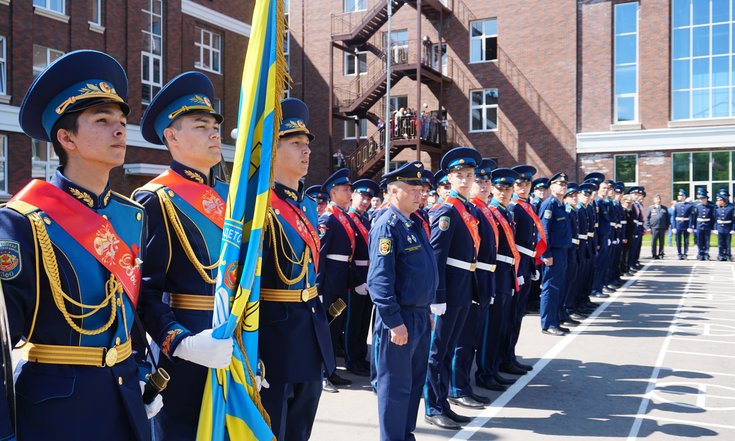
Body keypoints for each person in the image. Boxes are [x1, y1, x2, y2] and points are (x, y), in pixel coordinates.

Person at [0, 50, 160, 440]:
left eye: (121, 121)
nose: (120, 130)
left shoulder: (130, 215)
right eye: (103, 121)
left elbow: (127, 312)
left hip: (126, 403)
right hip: (58, 413)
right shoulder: (21, 222)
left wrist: (140, 372)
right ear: (66, 137)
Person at [134, 71, 234, 440]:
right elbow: (143, 292)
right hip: (188, 351)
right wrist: (181, 341)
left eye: (215, 125)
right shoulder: (155, 198)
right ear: (172, 137)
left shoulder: (230, 197)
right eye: (201, 125)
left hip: (235, 345)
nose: (214, 133)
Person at [259, 98, 335, 440]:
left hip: (309, 327)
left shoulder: (305, 203)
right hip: (275, 333)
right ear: (273, 151)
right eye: (295, 144)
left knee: (302, 424)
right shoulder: (258, 205)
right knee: (275, 423)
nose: (306, 152)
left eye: (306, 145)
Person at [424, 147, 482, 430]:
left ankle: (443, 401)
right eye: (459, 175)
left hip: (463, 287)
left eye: (469, 175)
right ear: (449, 178)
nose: (465, 179)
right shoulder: (446, 210)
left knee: (448, 350)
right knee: (437, 352)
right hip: (449, 291)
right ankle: (433, 406)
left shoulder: (467, 208)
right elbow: (436, 255)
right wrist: (438, 295)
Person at [448, 158, 497, 410]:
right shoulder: (462, 210)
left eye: (481, 179)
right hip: (463, 282)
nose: (482, 184)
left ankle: (463, 385)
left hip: (477, 279)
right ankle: (457, 388)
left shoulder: (473, 210)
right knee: (460, 341)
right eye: (480, 180)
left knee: (470, 339)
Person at [475, 168, 521, 392]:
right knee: (490, 327)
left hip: (504, 272)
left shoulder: (506, 212)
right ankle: (485, 372)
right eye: (500, 188)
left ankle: (493, 368)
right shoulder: (491, 211)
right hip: (494, 272)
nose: (503, 192)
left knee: (500, 324)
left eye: (508, 189)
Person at [317, 168, 356, 391]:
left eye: (350, 189)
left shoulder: (343, 217)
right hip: (330, 282)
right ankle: (323, 373)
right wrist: (319, 286)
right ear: (333, 192)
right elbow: (321, 255)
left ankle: (331, 370)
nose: (349, 193)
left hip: (341, 280)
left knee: (336, 326)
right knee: (327, 326)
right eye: (344, 189)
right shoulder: (328, 219)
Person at [504, 165, 542, 374]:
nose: (524, 187)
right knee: (510, 317)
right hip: (517, 267)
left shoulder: (528, 207)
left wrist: (532, 264)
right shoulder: (513, 208)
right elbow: (512, 244)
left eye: (527, 184)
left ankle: (511, 354)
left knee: (518, 315)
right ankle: (505, 357)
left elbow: (531, 239)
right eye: (519, 184)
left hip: (526, 265)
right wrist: (518, 271)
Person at [344, 179, 379, 376]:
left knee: (364, 319)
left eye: (368, 198)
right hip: (355, 276)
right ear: (353, 195)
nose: (365, 201)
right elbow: (349, 256)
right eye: (362, 196)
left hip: (369, 274)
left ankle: (361, 356)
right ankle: (352, 359)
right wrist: (357, 281)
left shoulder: (365, 219)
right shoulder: (348, 219)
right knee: (353, 320)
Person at [538, 172, 573, 336]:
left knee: (558, 287)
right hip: (553, 253)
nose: (563, 186)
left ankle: (555, 320)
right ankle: (548, 324)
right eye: (560, 184)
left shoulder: (560, 204)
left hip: (562, 252)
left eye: (565, 184)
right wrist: (546, 253)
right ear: (552, 186)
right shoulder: (549, 204)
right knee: (550, 288)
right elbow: (543, 231)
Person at [692, 188, 715, 261]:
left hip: (707, 225)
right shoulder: (697, 206)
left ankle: (706, 253)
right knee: (700, 240)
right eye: (701, 199)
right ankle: (700, 253)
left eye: (703, 198)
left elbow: (712, 218)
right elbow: (694, 217)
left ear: (706, 199)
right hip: (699, 225)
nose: (702, 200)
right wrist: (694, 227)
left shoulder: (711, 207)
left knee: (707, 240)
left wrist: (713, 227)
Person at [645, 194, 670, 259]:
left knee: (662, 241)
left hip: (662, 227)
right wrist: (648, 227)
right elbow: (647, 218)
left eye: (659, 199)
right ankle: (654, 254)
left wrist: (667, 227)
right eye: (657, 199)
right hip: (654, 227)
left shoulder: (664, 208)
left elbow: (667, 218)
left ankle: (661, 254)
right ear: (654, 200)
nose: (658, 200)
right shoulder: (651, 208)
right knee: (654, 242)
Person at [673, 189, 694, 259]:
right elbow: (674, 216)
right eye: (679, 195)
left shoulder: (689, 206)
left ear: (684, 196)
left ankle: (685, 253)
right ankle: (679, 253)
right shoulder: (676, 205)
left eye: (680, 195)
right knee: (678, 240)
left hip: (686, 224)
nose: (679, 196)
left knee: (686, 240)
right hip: (678, 224)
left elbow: (691, 216)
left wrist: (690, 226)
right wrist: (674, 227)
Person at [714, 189, 734, 261]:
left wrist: (733, 228)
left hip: (727, 227)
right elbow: (715, 219)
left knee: (727, 243)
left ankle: (728, 255)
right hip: (720, 227)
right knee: (720, 243)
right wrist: (715, 228)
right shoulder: (717, 208)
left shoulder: (731, 207)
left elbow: (733, 219)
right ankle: (721, 255)